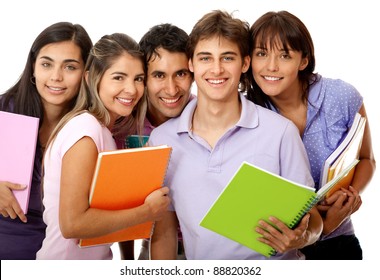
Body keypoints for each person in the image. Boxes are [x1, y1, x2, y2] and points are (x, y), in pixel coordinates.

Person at [149, 10, 322, 260]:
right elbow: (164, 231)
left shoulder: (281, 132)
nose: (216, 69)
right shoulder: (162, 140)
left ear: (245, 63)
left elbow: (313, 219)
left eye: (227, 58)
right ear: (191, 64)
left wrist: (301, 237)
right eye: (205, 58)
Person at [246, 11, 376, 259]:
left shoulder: (342, 96)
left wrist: (350, 195)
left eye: (285, 55)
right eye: (261, 53)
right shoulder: (247, 112)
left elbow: (367, 159)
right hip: (276, 250)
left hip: (338, 239)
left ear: (303, 61)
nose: (271, 66)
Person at [36, 33, 170, 260]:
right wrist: (147, 212)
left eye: (138, 79)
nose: (131, 89)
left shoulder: (102, 131)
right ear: (91, 78)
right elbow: (73, 225)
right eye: (119, 77)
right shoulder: (85, 129)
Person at [0, 22, 93, 260]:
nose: (56, 77)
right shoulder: (5, 110)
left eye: (69, 67)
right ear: (33, 67)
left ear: (86, 74)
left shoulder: (90, 129)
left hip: (57, 256)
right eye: (46, 64)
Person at [118, 23, 194, 260]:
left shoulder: (206, 117)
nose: (171, 89)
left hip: (208, 247)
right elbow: (120, 198)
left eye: (180, 74)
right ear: (143, 78)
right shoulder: (123, 126)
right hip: (152, 246)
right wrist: (127, 261)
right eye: (159, 75)